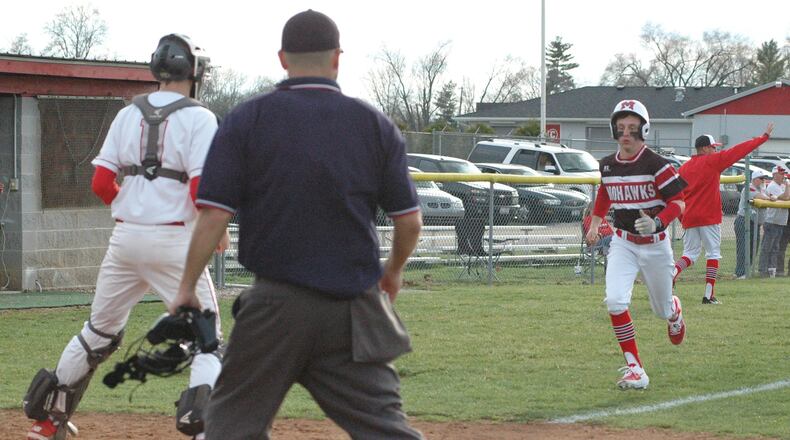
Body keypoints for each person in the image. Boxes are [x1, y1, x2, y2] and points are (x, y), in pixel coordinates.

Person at [170, 10, 424, 440]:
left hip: (274, 309)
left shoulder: (248, 120)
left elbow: (214, 213)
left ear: (283, 58)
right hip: (353, 311)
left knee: (231, 428)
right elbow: (410, 222)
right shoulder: (373, 124)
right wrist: (393, 271)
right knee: (386, 431)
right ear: (337, 59)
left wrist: (186, 287)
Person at [24, 34, 226, 440]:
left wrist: (133, 206)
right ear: (194, 72)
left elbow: (100, 183)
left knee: (98, 333)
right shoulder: (200, 118)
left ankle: (47, 423)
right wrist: (214, 233)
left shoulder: (126, 114)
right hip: (173, 241)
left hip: (125, 241)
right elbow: (200, 191)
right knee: (209, 341)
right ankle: (206, 431)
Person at [586, 99, 687, 390]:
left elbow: (679, 202)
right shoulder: (606, 164)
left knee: (661, 310)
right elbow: (606, 191)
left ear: (644, 129)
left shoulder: (657, 164)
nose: (626, 134)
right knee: (616, 301)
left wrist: (658, 222)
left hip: (655, 245)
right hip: (623, 242)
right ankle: (635, 369)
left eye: (632, 128)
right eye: (620, 128)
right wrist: (596, 222)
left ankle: (674, 311)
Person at [670, 126, 773, 304]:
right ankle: (708, 295)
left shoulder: (684, 168)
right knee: (713, 254)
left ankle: (672, 274)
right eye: (713, 147)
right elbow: (738, 151)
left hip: (690, 217)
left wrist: (682, 218)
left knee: (690, 254)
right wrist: (762, 138)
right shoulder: (712, 161)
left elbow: (676, 195)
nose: (715, 150)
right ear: (704, 148)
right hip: (709, 216)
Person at [733, 169, 771, 278]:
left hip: (754, 223)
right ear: (754, 179)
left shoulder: (761, 189)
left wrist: (770, 196)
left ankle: (746, 271)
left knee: (753, 248)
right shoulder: (749, 187)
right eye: (761, 178)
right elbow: (762, 197)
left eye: (764, 178)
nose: (763, 180)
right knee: (743, 249)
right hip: (743, 221)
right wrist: (770, 198)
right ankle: (740, 273)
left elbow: (767, 196)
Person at [757, 166, 790, 277]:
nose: (783, 176)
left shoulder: (781, 186)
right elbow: (786, 197)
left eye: (783, 174)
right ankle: (763, 271)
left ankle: (772, 271)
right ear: (774, 175)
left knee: (775, 248)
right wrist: (788, 185)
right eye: (780, 174)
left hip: (780, 222)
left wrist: (786, 186)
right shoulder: (773, 186)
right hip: (772, 222)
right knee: (767, 248)